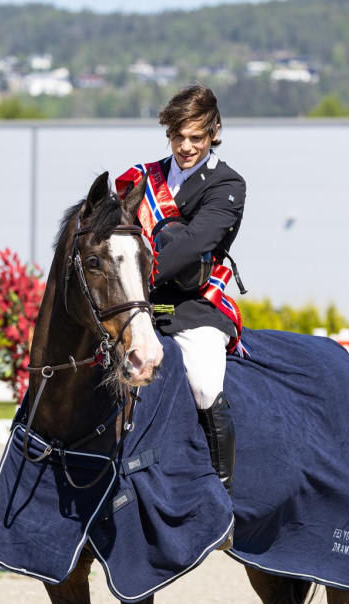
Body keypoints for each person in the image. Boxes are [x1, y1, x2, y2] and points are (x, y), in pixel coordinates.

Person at [117, 85, 246, 500]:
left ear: (214, 132)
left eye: (196, 137)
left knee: (206, 385)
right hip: (137, 304)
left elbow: (192, 245)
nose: (186, 147)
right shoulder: (141, 179)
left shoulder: (228, 185)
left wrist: (138, 278)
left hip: (194, 307)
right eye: (178, 137)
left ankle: (219, 493)